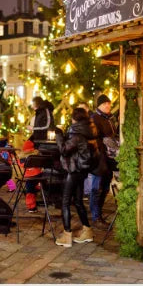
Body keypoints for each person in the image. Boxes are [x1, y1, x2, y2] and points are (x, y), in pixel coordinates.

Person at [56, 106, 96, 247]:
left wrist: (59, 134)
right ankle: (87, 231)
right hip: (82, 171)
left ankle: (67, 236)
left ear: (74, 119)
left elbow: (64, 150)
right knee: (78, 201)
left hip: (73, 171)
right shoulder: (87, 131)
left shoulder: (77, 135)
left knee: (65, 202)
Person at [88, 93, 116, 224]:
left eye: (109, 103)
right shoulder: (95, 118)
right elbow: (93, 137)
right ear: (99, 105)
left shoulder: (109, 118)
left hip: (108, 158)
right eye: (105, 104)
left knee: (105, 187)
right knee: (97, 188)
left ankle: (98, 212)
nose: (107, 106)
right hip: (99, 158)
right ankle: (95, 215)